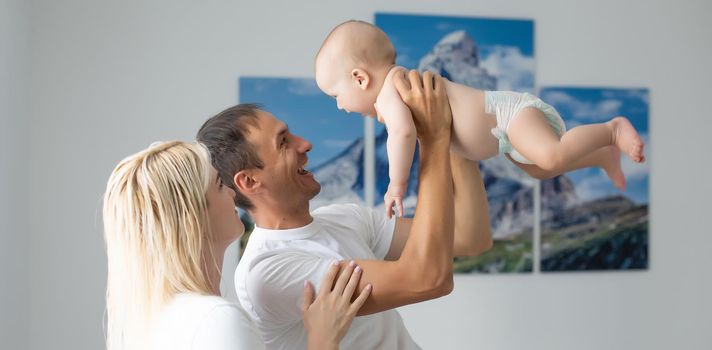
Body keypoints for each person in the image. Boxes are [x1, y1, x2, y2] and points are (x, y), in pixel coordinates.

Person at [197, 70, 491, 350]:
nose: (305, 144)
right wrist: (433, 137)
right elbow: (429, 279)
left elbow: (470, 236)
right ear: (249, 181)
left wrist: (451, 131)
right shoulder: (268, 271)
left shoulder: (346, 217)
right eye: (284, 142)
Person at [315, 20, 646, 218]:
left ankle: (611, 130)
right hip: (502, 138)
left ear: (360, 78)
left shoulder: (392, 89)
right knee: (540, 169)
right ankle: (601, 154)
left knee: (551, 154)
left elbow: (401, 134)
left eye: (336, 96)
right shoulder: (395, 91)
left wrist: (396, 186)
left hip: (507, 114)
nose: (340, 107)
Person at [102, 140, 372, 350]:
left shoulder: (157, 321)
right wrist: (323, 340)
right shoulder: (215, 319)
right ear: (192, 215)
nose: (233, 192)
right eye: (219, 184)